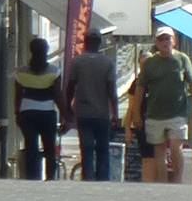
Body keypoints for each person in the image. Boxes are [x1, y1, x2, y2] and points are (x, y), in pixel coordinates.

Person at [137, 28, 192, 184]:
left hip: (177, 113)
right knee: (159, 152)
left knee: (175, 147)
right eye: (161, 39)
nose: (165, 42)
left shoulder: (182, 59)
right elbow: (140, 89)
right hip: (155, 114)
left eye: (168, 38)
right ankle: (163, 184)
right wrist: (136, 113)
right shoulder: (149, 64)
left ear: (174, 40)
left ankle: (177, 181)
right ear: (156, 43)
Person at [63, 32, 122, 182]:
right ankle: (102, 179)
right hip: (102, 113)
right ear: (99, 43)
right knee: (103, 148)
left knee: (86, 147)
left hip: (83, 112)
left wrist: (67, 107)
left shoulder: (77, 62)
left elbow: (70, 87)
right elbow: (112, 90)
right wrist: (115, 114)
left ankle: (88, 177)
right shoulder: (108, 62)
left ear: (85, 42)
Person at [10, 37, 66, 181]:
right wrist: (66, 115)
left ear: (31, 51)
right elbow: (58, 95)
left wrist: (17, 112)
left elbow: (18, 95)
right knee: (49, 147)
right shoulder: (54, 71)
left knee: (31, 146)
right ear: (46, 51)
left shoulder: (21, 72)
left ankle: (32, 177)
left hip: (27, 112)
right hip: (47, 113)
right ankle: (50, 177)